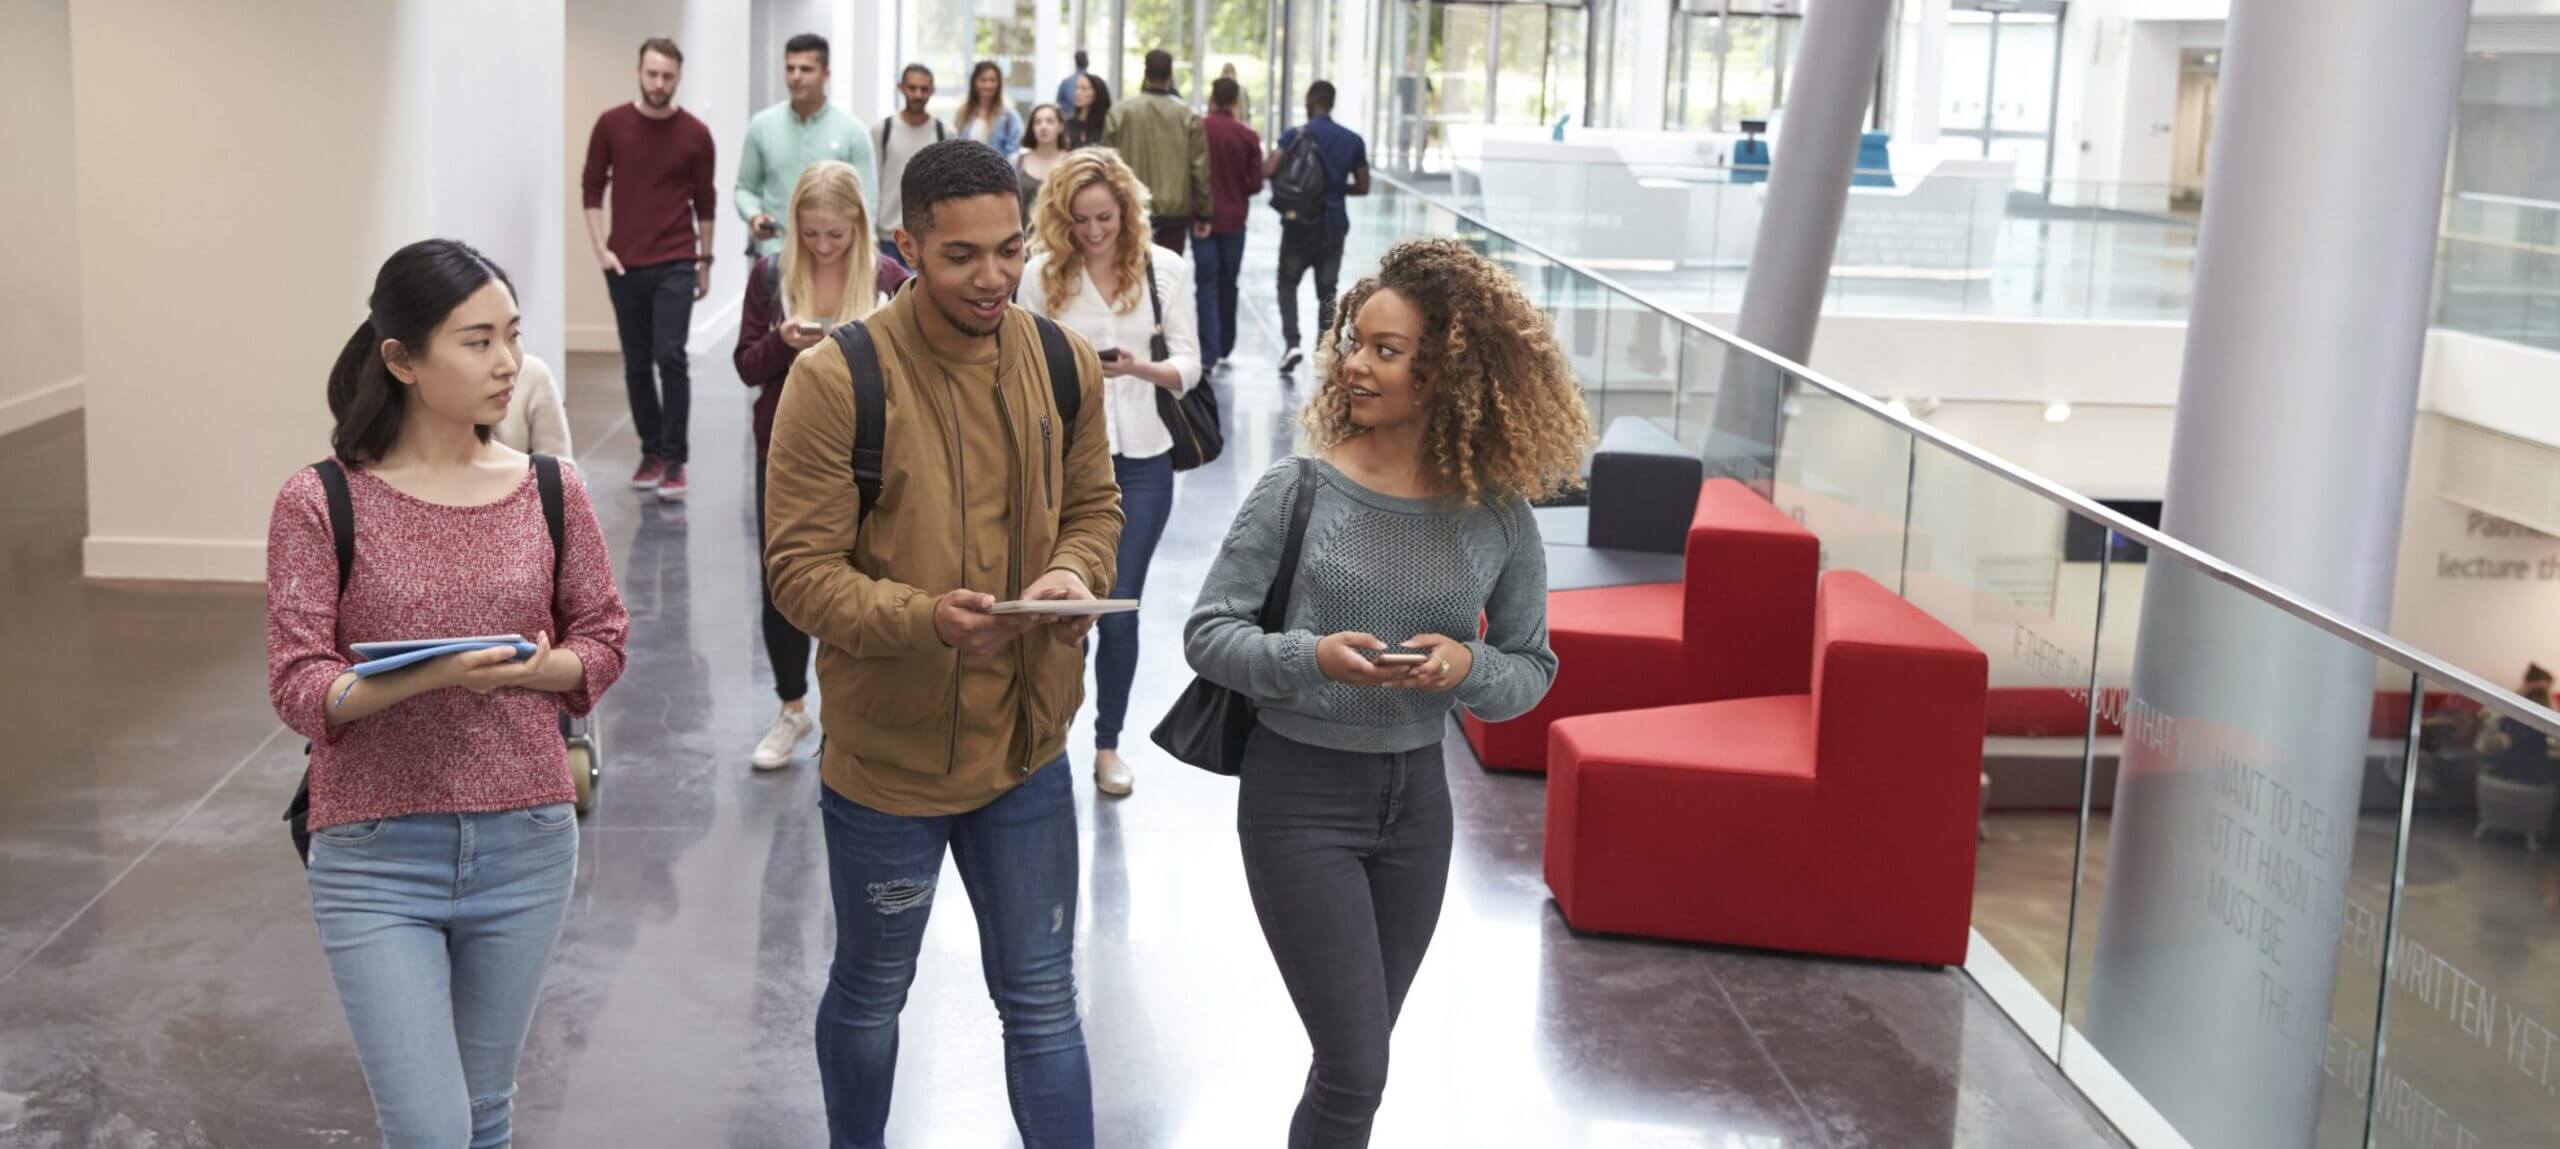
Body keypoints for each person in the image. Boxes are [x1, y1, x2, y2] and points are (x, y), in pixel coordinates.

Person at [1183, 238, 1589, 1148]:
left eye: (1385, 349)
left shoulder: (1498, 516)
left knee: (1350, 1068)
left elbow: (1529, 668)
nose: (1355, 364)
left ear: (1445, 370)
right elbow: (1209, 633)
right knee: (1359, 1065)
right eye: (1354, 343)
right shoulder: (1300, 489)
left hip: (1417, 806)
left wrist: (1466, 669)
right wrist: (1310, 658)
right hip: (1300, 797)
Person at [764, 139, 1122, 1149]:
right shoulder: (836, 381)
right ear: (908, 245)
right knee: (872, 994)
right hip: (889, 764)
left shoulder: (1059, 360)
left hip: (1028, 749)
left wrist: (1074, 576)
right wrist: (924, 618)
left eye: (1009, 250)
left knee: (1044, 1001)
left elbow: (1094, 508)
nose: (993, 277)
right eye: (962, 256)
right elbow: (798, 573)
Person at [267, 239, 631, 1148]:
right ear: (401, 358)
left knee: (485, 1110)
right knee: (429, 1126)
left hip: (530, 838)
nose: (508, 362)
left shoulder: (551, 488)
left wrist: (536, 669)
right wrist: (430, 672)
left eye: (512, 335)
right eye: (476, 342)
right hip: (375, 851)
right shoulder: (321, 501)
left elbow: (604, 639)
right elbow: (298, 682)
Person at [1018, 149, 1201, 798]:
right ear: (1061, 219)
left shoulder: (1165, 268)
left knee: (1117, 609)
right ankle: (1046, 741)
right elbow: (1021, 365)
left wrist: (1137, 368)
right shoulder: (1040, 275)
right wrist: (1076, 375)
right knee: (1062, 607)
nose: (1094, 231)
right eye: (1080, 220)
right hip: (1064, 460)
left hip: (1146, 458)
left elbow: (1189, 365)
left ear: (1126, 209)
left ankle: (1106, 745)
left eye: (1105, 217)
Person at [734, 161, 911, 773]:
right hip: (786, 450)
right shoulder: (769, 275)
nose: (823, 246)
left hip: (873, 449)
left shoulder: (890, 278)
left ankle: (852, 710)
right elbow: (746, 367)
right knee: (785, 580)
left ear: (859, 227)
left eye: (835, 235)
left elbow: (918, 368)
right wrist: (784, 341)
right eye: (811, 235)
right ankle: (791, 706)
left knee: (866, 575)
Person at [582, 36, 718, 502]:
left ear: (678, 77)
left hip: (677, 259)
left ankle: (676, 459)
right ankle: (651, 452)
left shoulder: (696, 134)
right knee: (637, 362)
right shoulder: (611, 125)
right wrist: (602, 249)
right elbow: (591, 188)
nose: (660, 83)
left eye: (668, 76)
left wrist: (705, 261)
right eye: (652, 73)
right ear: (639, 71)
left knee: (670, 356)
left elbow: (706, 199)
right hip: (625, 264)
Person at [738, 33, 876, 260]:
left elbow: (866, 202)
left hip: (833, 259)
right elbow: (744, 188)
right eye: (790, 68)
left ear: (826, 74)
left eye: (806, 69)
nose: (796, 77)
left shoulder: (853, 131)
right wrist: (754, 216)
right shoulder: (761, 126)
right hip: (776, 254)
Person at [1267, 79, 1368, 373]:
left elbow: (1269, 169)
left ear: (1309, 101)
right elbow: (1363, 187)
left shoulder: (1294, 135)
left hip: (1298, 223)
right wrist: (1333, 189)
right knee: (1327, 291)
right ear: (1332, 103)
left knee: (1287, 283)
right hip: (1333, 223)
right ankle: (1322, 351)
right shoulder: (1352, 140)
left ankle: (1292, 344)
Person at [1103, 48, 1211, 255]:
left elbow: (1107, 163)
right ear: (1170, 77)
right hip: (1175, 212)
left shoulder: (1120, 113)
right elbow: (1199, 169)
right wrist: (1204, 213)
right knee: (1168, 278)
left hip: (1130, 206)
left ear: (1146, 74)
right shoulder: (1188, 116)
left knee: (1130, 273)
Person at [1197, 76, 1262, 373]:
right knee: (1228, 281)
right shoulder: (1247, 136)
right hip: (1235, 219)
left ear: (1212, 98)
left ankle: (1207, 351)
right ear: (1236, 102)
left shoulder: (1199, 129)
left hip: (1202, 218)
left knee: (1206, 282)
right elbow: (1256, 183)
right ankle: (1225, 343)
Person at [873, 64, 949, 270]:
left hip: (927, 236)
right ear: (901, 88)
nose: (917, 94)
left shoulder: (944, 133)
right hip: (886, 236)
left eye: (924, 89)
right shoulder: (883, 130)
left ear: (932, 91)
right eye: (912, 88)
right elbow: (872, 183)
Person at [490, 353, 571, 457]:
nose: (511, 366)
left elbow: (559, 464)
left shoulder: (533, 373)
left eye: (513, 337)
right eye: (482, 342)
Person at [1015, 104, 1071, 228]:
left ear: (1060, 127)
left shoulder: (1071, 162)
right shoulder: (1019, 160)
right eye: (1037, 122)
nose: (1043, 127)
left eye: (1050, 121)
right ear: (1032, 128)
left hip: (1060, 238)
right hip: (1025, 238)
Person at [957, 60, 1024, 157]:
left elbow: (1013, 154)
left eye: (992, 80)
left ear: (999, 84)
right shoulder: (963, 113)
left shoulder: (1009, 116)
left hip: (997, 171)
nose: (988, 85)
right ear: (974, 83)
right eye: (983, 80)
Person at [1065, 72, 1111, 151]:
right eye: (1076, 88)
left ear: (1097, 93)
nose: (1077, 93)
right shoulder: (1068, 124)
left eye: (1084, 89)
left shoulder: (1107, 124)